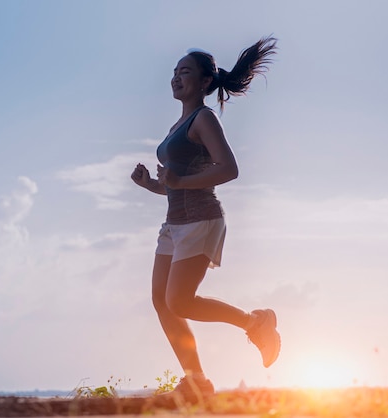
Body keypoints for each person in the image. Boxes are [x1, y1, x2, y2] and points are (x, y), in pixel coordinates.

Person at [130, 36, 280, 402]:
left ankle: (256, 323)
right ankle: (196, 379)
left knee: (179, 302)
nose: (176, 78)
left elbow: (228, 169)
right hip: (174, 223)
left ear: (205, 82)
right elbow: (176, 187)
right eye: (174, 72)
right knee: (160, 301)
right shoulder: (175, 127)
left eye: (185, 72)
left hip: (202, 220)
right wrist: (151, 184)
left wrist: (178, 181)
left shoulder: (204, 118)